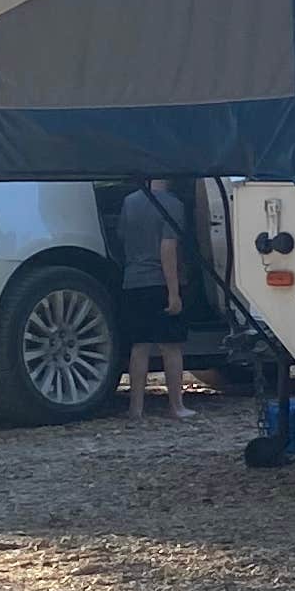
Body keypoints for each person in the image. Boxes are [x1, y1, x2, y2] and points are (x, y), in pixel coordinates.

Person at [116, 176, 190, 420]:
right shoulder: (173, 204)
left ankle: (135, 407)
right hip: (159, 280)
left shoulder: (129, 202)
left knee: (140, 346)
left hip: (133, 280)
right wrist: (174, 291)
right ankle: (176, 405)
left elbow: (122, 238)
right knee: (171, 347)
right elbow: (167, 249)